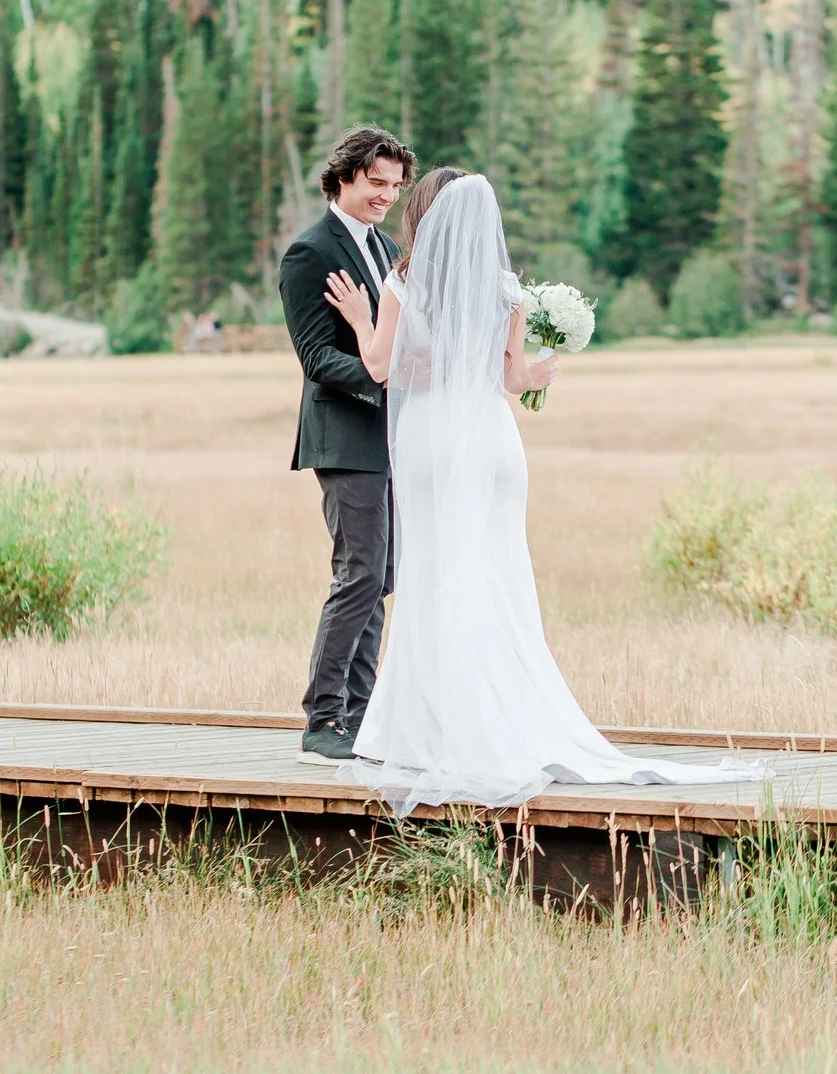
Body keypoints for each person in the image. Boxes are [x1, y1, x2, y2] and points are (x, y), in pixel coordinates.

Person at [319, 168, 768, 812]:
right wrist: (543, 373)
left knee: (436, 574)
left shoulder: (401, 282)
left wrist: (362, 322)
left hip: (430, 446)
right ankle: (507, 715)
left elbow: (385, 369)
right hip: (495, 448)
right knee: (497, 574)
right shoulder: (503, 289)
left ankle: (434, 725)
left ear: (424, 216)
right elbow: (512, 377)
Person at [277, 125, 418, 765]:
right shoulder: (309, 253)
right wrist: (383, 378)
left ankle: (360, 719)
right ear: (343, 179)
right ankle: (322, 716)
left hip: (391, 436)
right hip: (344, 434)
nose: (386, 195)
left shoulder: (387, 249)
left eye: (394, 185)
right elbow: (316, 356)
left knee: (383, 574)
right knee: (359, 571)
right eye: (375, 183)